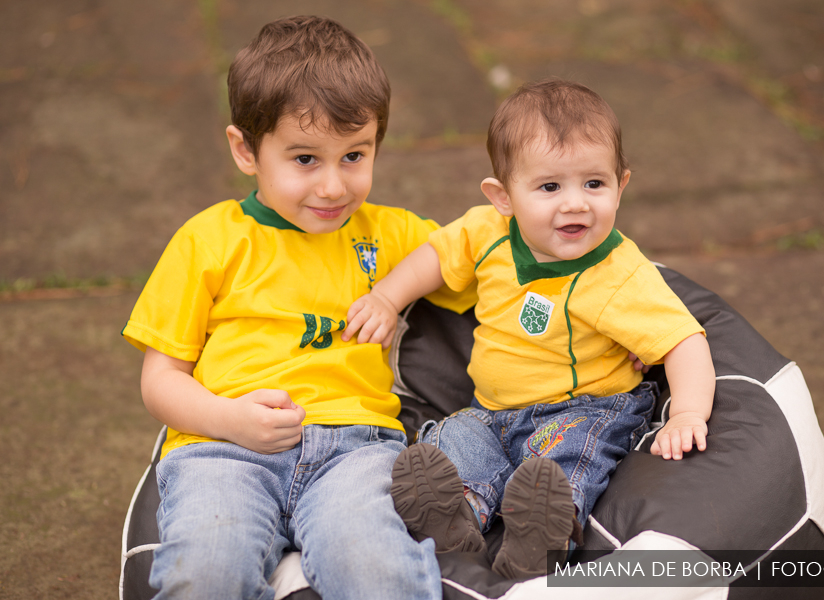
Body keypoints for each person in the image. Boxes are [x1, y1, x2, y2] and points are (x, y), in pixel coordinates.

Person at [122, 15, 475, 600]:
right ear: (246, 150)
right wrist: (229, 420)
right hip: (223, 453)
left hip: (355, 453)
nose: (334, 187)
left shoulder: (388, 234)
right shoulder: (208, 240)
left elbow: (473, 249)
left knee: (380, 574)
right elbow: (160, 383)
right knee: (204, 574)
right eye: (305, 159)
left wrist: (394, 291)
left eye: (355, 155)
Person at [343, 79, 716, 579]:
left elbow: (683, 339)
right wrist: (387, 297)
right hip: (492, 412)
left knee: (568, 456)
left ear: (621, 185)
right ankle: (454, 517)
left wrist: (688, 413)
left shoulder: (618, 275)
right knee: (457, 439)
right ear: (503, 197)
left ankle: (541, 535)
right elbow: (436, 255)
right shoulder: (487, 232)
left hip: (584, 405)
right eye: (549, 187)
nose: (576, 204)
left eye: (594, 184)